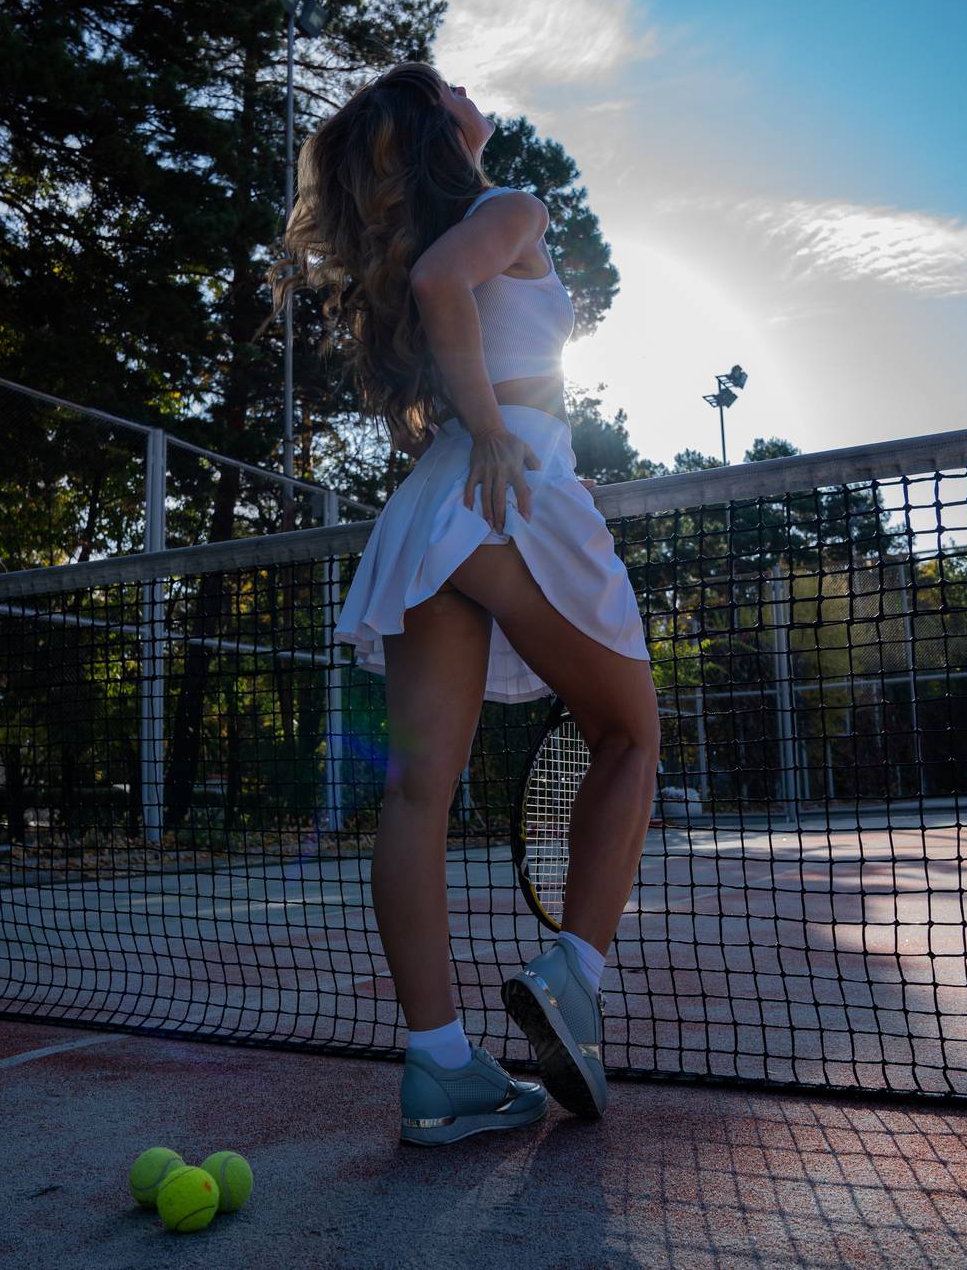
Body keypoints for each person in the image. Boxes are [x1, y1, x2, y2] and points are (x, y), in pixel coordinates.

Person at [277, 61, 660, 1146]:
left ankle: (440, 1065)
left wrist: (475, 428)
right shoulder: (512, 207)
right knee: (630, 735)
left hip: (431, 510)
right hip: (507, 482)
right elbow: (447, 282)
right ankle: (573, 969)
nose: (465, 89)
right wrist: (493, 426)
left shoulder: (446, 232)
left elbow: (437, 287)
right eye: (447, 86)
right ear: (442, 129)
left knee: (416, 796)